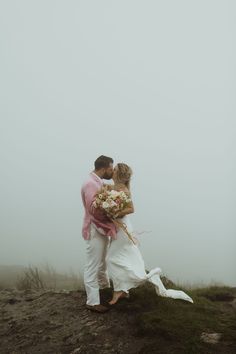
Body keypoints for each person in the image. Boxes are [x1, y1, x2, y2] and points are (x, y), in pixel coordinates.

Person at [106, 163, 193, 305]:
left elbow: (131, 208)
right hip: (119, 226)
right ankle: (123, 290)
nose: (112, 171)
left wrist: (114, 212)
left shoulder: (122, 189)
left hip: (123, 228)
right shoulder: (114, 188)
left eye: (114, 169)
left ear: (119, 174)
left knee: (111, 258)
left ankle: (121, 290)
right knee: (119, 257)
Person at [81, 155, 116, 313]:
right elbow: (93, 209)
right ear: (104, 167)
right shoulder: (90, 183)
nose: (112, 171)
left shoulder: (98, 182)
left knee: (102, 262)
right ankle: (92, 301)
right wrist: (111, 215)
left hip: (101, 228)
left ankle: (104, 289)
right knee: (93, 265)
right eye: (111, 168)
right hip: (95, 228)